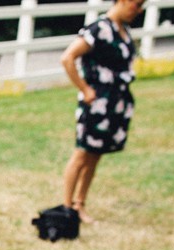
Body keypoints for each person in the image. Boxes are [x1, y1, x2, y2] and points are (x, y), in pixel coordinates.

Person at [60, 0, 145, 225]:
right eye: (137, 4)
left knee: (95, 155)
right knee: (81, 154)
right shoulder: (98, 29)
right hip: (96, 103)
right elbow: (67, 58)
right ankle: (67, 209)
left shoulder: (124, 30)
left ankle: (80, 204)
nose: (139, 10)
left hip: (116, 102)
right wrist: (85, 89)